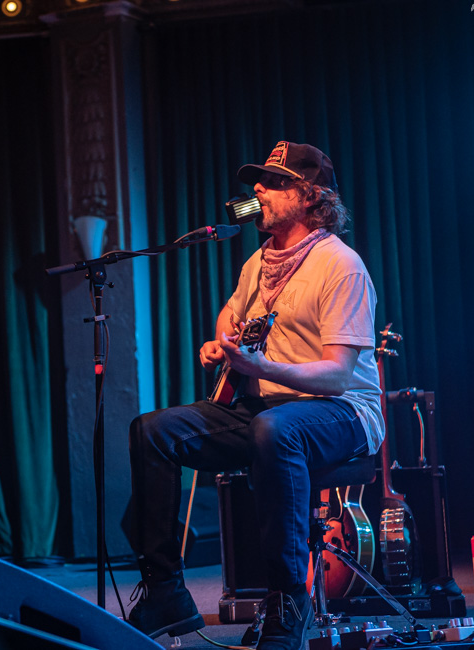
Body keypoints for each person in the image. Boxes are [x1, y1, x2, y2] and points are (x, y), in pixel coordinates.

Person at [126, 141, 384, 649]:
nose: (258, 190)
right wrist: (223, 341)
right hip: (269, 408)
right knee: (152, 431)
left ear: (311, 197)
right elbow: (230, 313)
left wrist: (261, 365)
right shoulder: (259, 261)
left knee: (275, 429)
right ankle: (165, 591)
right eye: (257, 182)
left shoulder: (341, 265)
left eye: (274, 182)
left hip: (343, 412)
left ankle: (289, 601)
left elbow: (336, 377)